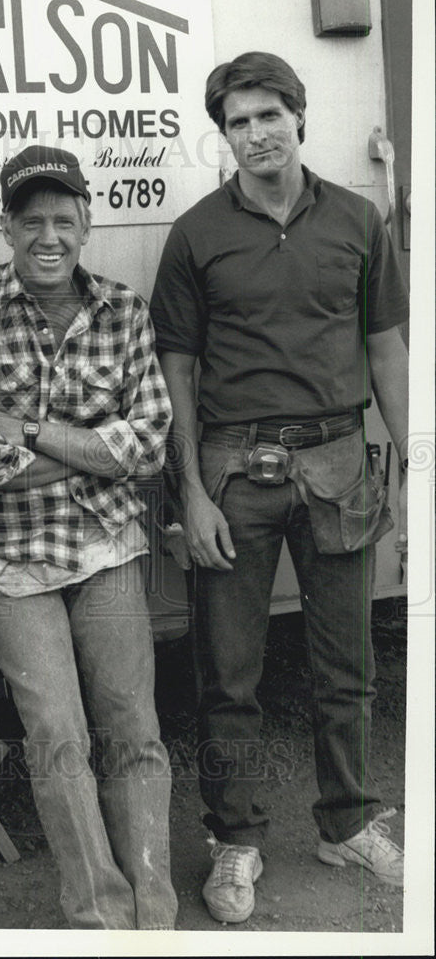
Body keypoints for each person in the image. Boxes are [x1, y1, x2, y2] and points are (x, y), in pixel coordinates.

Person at [150, 51, 409, 925]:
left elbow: (384, 347)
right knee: (228, 674)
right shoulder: (195, 234)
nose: (254, 134)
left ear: (299, 118)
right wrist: (187, 489)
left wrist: (413, 458)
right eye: (236, 123)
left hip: (339, 462)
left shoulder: (356, 219)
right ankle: (235, 841)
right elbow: (175, 372)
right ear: (222, 137)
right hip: (232, 469)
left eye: (267, 115)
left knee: (349, 662)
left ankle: (348, 820)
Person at [0, 145, 178, 930]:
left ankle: (154, 910)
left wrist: (31, 431)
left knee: (134, 729)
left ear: (86, 225)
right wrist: (94, 453)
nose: (48, 235)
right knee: (58, 739)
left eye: (63, 220)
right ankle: (98, 918)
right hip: (13, 562)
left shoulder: (124, 309)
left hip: (108, 549)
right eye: (30, 220)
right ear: (5, 226)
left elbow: (150, 447)